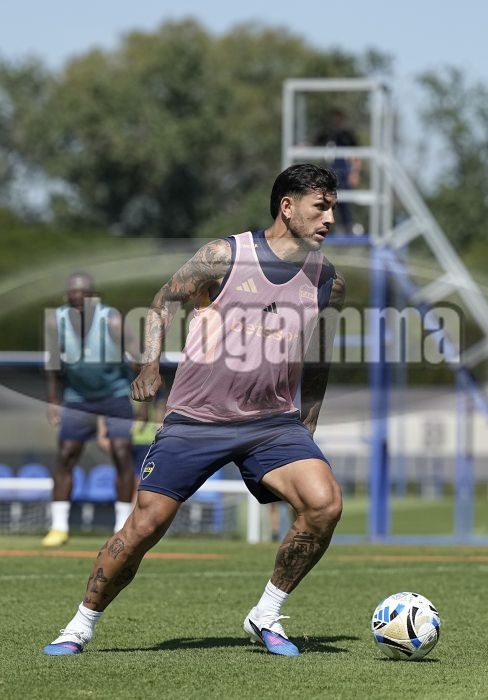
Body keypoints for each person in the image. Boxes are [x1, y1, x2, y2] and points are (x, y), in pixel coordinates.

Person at [42, 163, 345, 657]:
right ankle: (79, 626)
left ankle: (266, 614)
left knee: (324, 504)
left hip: (271, 424)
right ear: (287, 207)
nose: (330, 218)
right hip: (198, 419)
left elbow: (318, 354)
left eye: (333, 207)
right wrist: (149, 366)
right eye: (321, 207)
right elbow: (164, 299)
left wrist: (307, 417)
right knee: (144, 526)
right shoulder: (225, 256)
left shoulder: (328, 280)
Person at [42, 271, 142, 547]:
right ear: (67, 297)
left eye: (84, 294)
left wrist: (143, 403)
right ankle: (59, 527)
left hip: (115, 394)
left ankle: (122, 527)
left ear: (94, 298)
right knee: (66, 454)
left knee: (122, 453)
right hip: (78, 397)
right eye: (73, 294)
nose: (78, 299)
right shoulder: (56, 321)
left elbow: (138, 359)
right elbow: (52, 363)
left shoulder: (112, 320)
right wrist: (53, 401)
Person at [314, 108, 362, 233]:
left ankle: (347, 227)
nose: (336, 121)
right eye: (334, 119)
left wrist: (355, 173)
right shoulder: (326, 135)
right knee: (324, 201)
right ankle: (322, 227)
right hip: (328, 172)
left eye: (338, 119)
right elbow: (313, 147)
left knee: (343, 202)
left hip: (344, 172)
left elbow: (357, 155)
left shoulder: (347, 136)